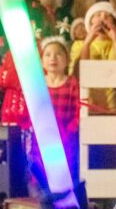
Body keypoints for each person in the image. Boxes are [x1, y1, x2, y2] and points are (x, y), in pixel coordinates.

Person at [39, 36, 81, 187]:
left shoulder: (72, 83)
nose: (53, 58)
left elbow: (79, 110)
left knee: (65, 171)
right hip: (43, 135)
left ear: (67, 59)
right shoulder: (38, 82)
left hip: (66, 135)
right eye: (48, 54)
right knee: (42, 171)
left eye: (58, 54)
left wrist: (71, 129)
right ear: (42, 60)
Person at [80, 1, 116, 113]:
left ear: (114, 23)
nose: (102, 19)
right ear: (91, 21)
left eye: (108, 16)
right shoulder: (81, 45)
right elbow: (80, 70)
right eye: (98, 15)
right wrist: (87, 43)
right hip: (90, 107)